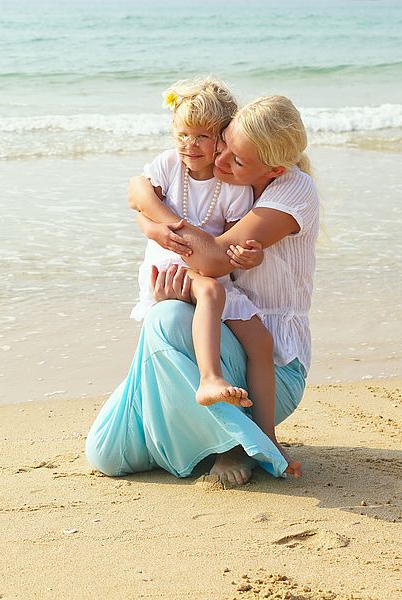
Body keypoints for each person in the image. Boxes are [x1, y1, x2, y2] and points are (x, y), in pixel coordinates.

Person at [86, 94, 319, 486]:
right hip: (206, 330)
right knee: (107, 454)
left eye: (237, 160)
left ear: (274, 168)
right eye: (225, 145)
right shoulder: (204, 174)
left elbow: (211, 261)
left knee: (169, 316)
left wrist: (152, 212)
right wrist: (146, 212)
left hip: (270, 373)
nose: (220, 162)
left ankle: (236, 443)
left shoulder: (292, 192)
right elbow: (145, 196)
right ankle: (204, 421)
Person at [131, 78, 295, 467]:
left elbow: (233, 249)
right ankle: (209, 378)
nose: (190, 145)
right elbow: (138, 198)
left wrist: (248, 258)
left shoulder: (233, 188)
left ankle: (267, 435)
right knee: (212, 294)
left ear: (223, 138)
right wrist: (157, 228)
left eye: (203, 136)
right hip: (170, 266)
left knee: (260, 342)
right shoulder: (168, 165)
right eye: (183, 134)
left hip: (210, 270)